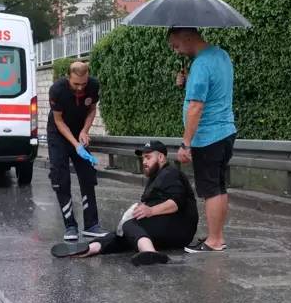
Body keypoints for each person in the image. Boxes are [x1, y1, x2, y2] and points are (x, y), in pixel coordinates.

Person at [51, 141, 199, 266]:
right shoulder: (155, 178)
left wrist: (151, 211)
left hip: (181, 228)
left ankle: (151, 253)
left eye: (148, 157)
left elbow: (176, 203)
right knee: (123, 232)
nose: (144, 162)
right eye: (143, 159)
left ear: (161, 157)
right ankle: (93, 247)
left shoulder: (170, 173)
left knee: (130, 225)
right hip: (168, 226)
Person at [169, 27, 237, 253]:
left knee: (210, 190)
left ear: (188, 37)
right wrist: (188, 82)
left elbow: (196, 106)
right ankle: (218, 237)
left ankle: (214, 241)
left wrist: (186, 143)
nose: (176, 51)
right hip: (226, 131)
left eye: (176, 45)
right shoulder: (221, 55)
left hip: (208, 136)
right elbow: (215, 88)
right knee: (218, 186)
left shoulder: (200, 64)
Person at [47, 61, 107, 240]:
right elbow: (58, 121)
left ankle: (91, 225)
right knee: (61, 178)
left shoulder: (93, 86)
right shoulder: (57, 90)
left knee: (88, 176)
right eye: (76, 84)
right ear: (68, 78)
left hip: (79, 133)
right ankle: (70, 226)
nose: (80, 88)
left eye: (83, 83)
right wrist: (75, 144)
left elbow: (92, 110)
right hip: (58, 134)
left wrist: (84, 131)